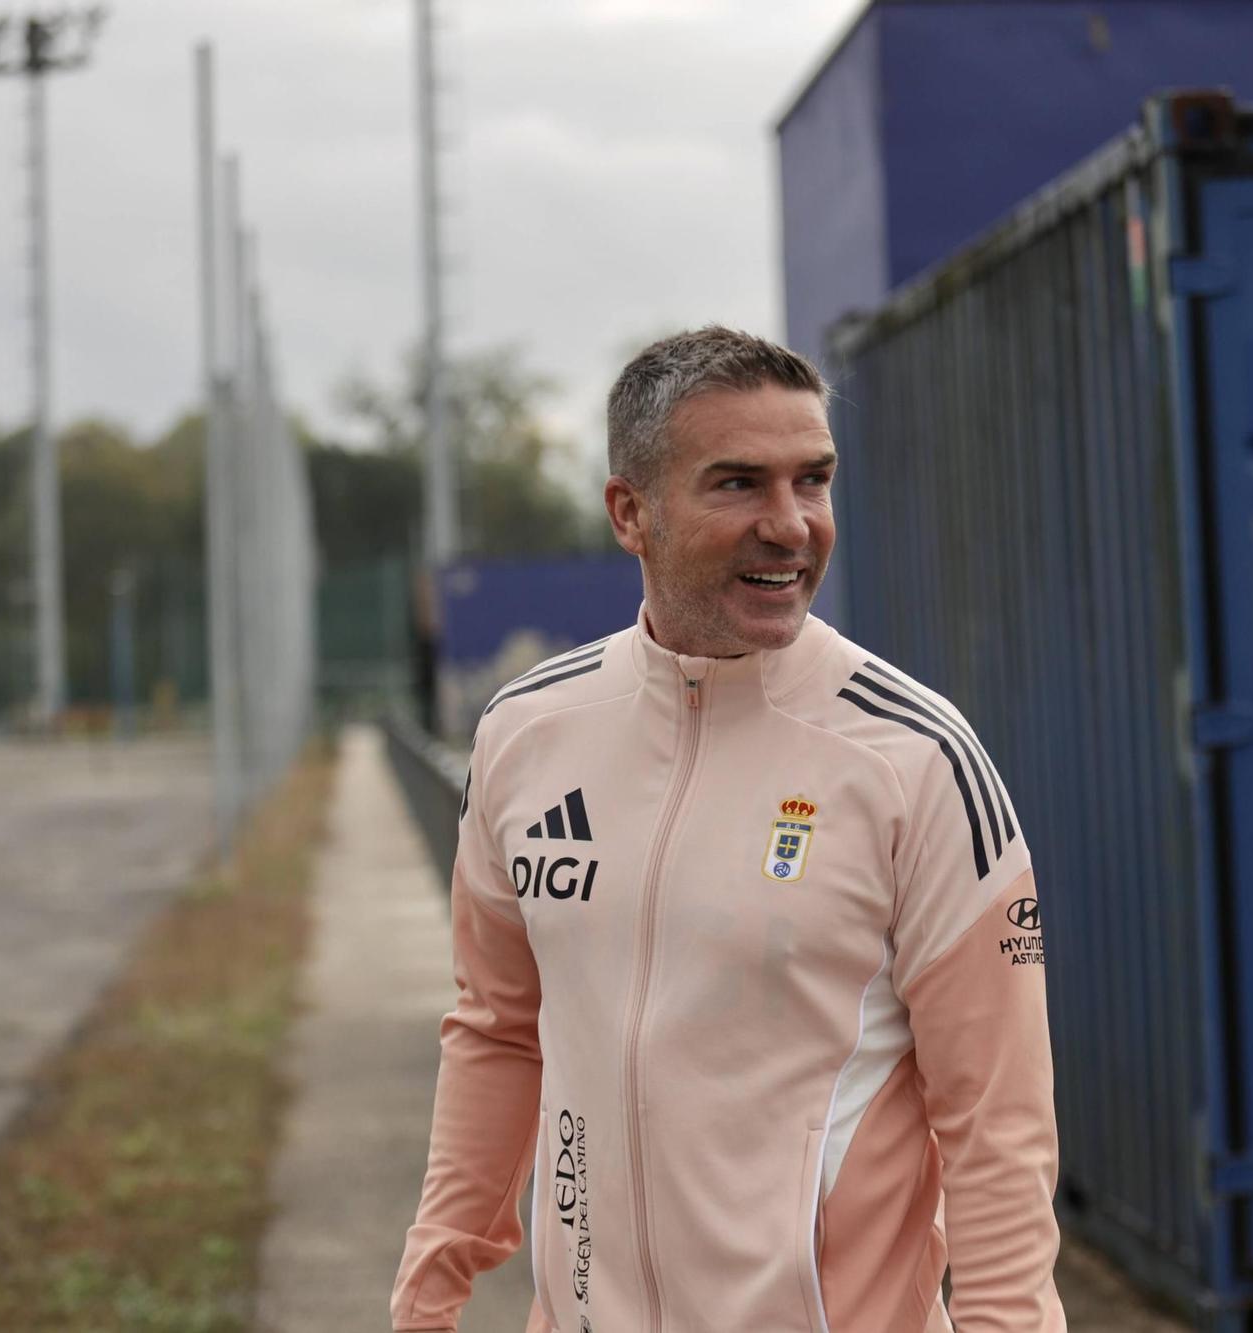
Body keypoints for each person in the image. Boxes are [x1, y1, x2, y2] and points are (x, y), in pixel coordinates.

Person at [392, 326, 1066, 1332]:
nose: (790, 526)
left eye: (813, 481)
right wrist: (427, 1293)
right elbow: (497, 1031)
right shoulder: (523, 735)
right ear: (630, 511)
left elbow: (996, 1123)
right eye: (738, 484)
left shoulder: (915, 758)